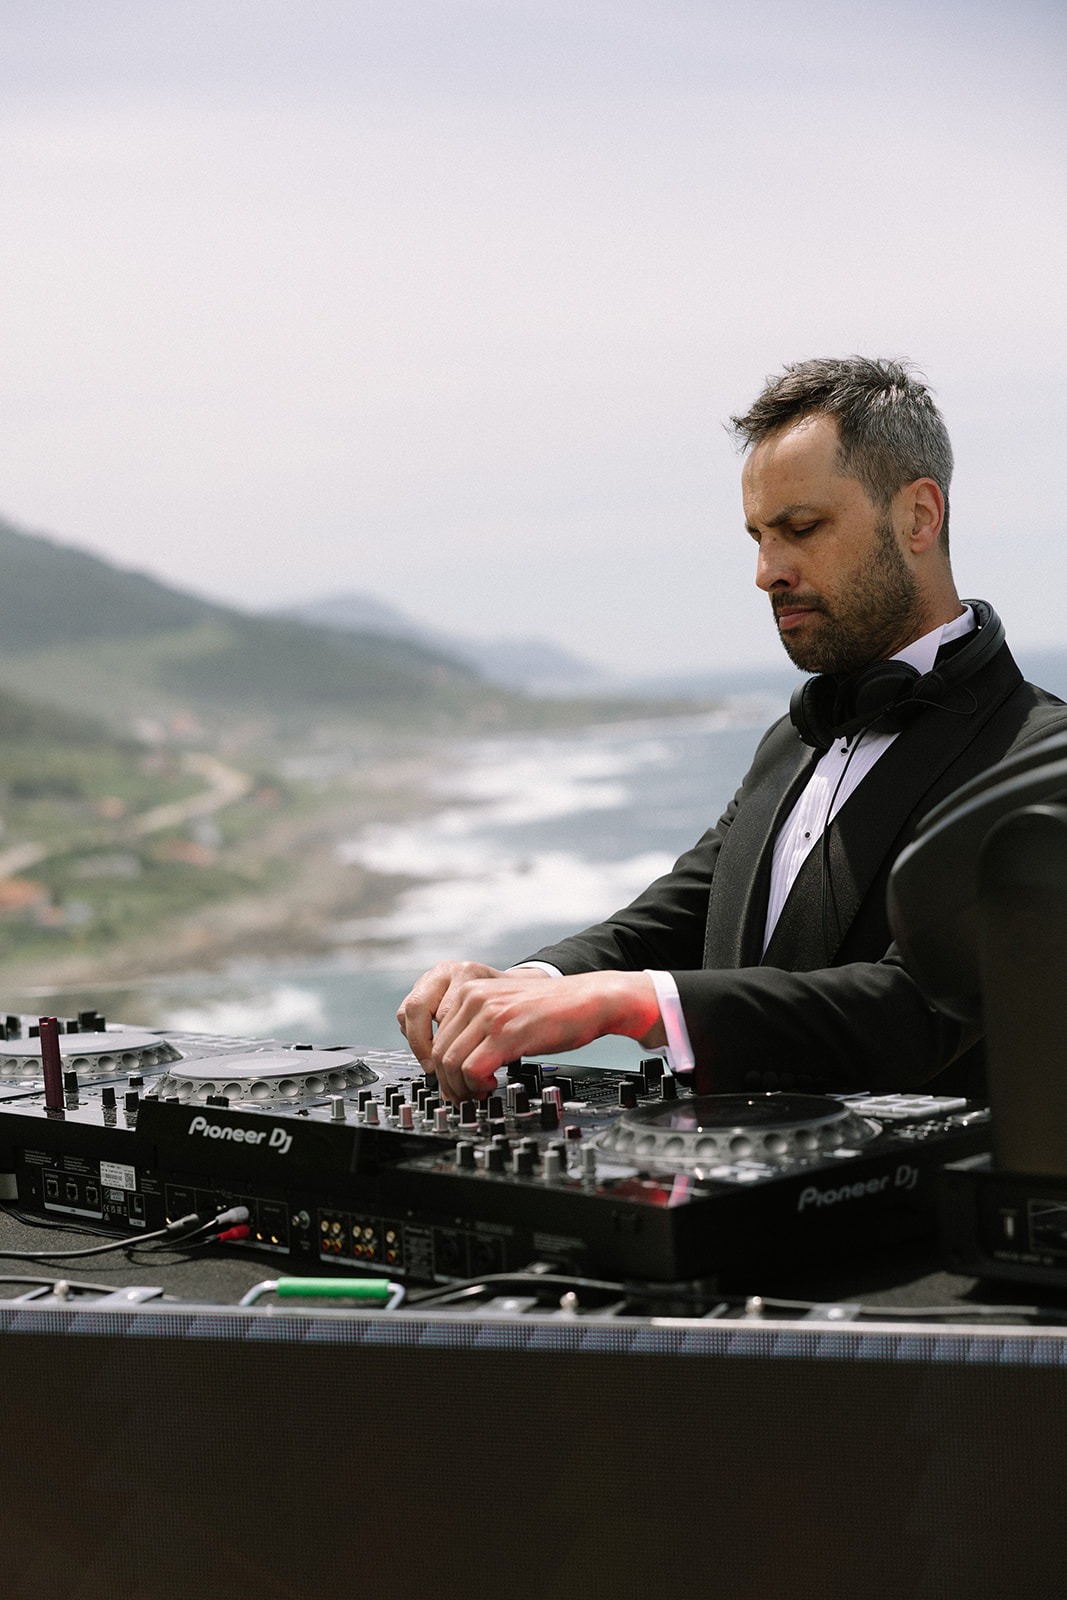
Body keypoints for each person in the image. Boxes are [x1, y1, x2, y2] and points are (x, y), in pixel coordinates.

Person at [398, 357, 1067, 1103]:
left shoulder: (1042, 758)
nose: (766, 570)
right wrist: (528, 982)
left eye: (801, 528)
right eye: (758, 536)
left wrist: (633, 1003)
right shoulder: (792, 737)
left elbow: (916, 1009)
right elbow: (683, 911)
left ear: (918, 516)